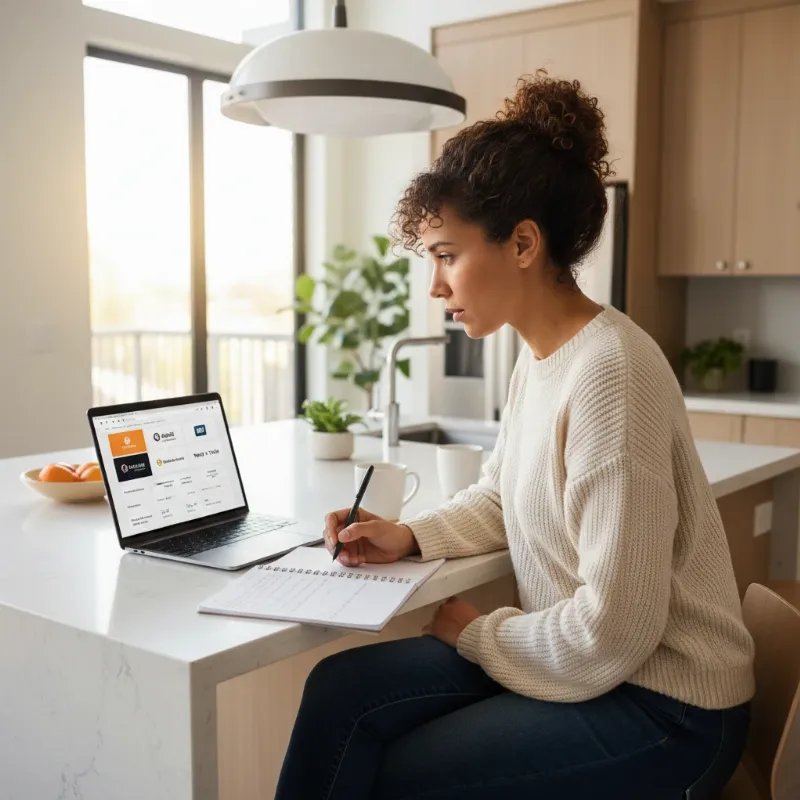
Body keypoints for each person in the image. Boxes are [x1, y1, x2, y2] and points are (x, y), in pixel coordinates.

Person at [275, 72, 755, 800]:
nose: (435, 286)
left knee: (403, 775)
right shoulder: (540, 358)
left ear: (524, 243)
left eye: (447, 254)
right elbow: (502, 496)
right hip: (592, 668)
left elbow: (615, 631)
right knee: (341, 690)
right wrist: (408, 536)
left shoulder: (611, 374)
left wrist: (479, 635)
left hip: (666, 707)